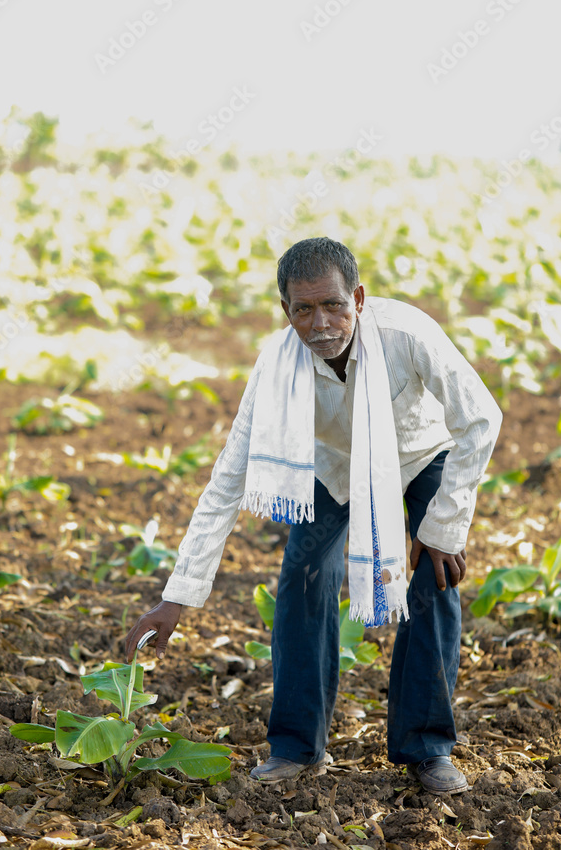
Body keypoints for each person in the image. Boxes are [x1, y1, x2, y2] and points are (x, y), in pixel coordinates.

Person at [125, 237, 503, 794]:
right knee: (301, 581)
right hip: (335, 468)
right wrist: (178, 594)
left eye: (332, 305)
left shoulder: (408, 334)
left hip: (422, 454)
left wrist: (444, 526)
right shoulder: (276, 365)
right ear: (286, 311)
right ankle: (297, 748)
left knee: (435, 579)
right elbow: (228, 478)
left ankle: (426, 749)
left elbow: (481, 420)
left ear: (358, 297)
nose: (320, 323)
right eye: (303, 309)